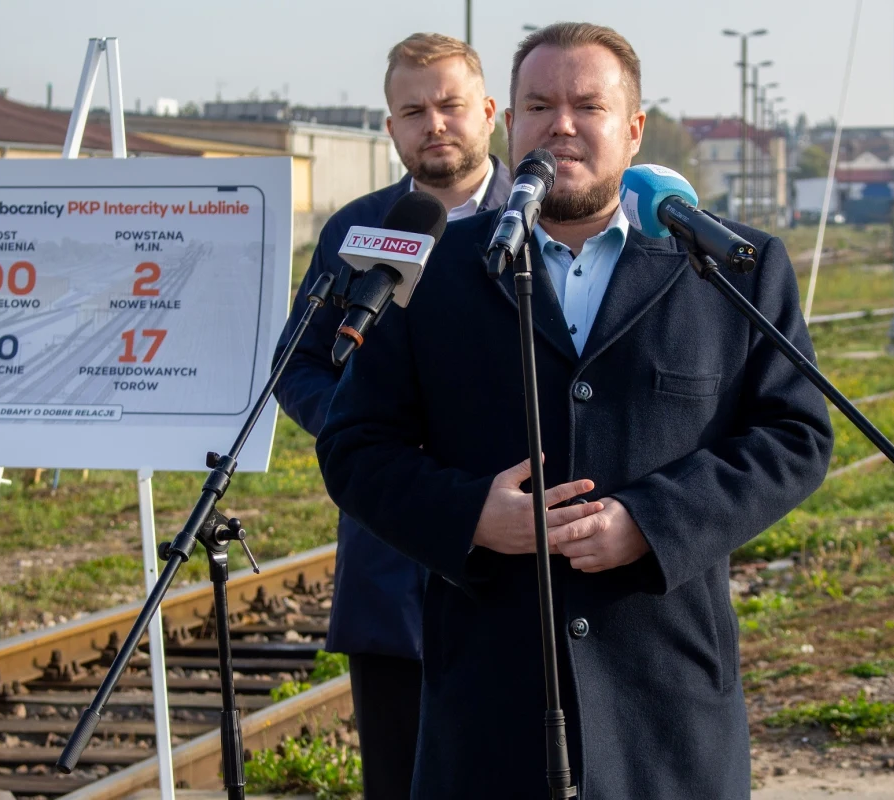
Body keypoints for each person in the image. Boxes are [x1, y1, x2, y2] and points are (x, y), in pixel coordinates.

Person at [315, 22, 833, 799]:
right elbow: (354, 447)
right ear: (508, 124)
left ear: (632, 131)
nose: (560, 123)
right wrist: (469, 518)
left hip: (669, 709)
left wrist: (651, 525)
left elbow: (793, 435)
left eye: (587, 105)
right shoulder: (428, 276)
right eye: (538, 104)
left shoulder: (729, 272)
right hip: (488, 712)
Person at [271, 32, 511, 800]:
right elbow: (295, 364)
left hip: (511, 551)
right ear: (390, 128)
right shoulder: (358, 228)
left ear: (489, 112)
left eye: (450, 106)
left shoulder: (541, 219)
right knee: (399, 779)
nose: (434, 124)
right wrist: (363, 426)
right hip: (389, 552)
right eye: (413, 111)